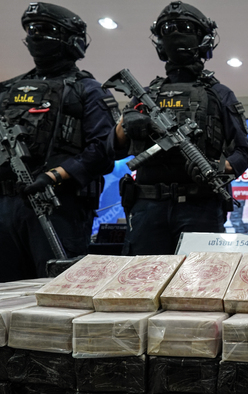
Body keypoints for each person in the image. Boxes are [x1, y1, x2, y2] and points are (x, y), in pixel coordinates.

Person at [113, 1, 248, 255]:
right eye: (167, 29)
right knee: (141, 286)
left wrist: (215, 167)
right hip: (146, 206)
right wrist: (128, 121)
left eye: (185, 27)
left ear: (203, 40)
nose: (175, 33)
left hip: (200, 205)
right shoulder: (145, 96)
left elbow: (243, 154)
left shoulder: (219, 94)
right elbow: (113, 149)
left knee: (200, 288)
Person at [0, 2, 118, 281]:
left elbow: (103, 149)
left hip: (57, 205)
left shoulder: (87, 90)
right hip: (5, 204)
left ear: (70, 40)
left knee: (56, 289)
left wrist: (56, 175)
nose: (36, 36)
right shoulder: (6, 91)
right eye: (32, 30)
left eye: (46, 30)